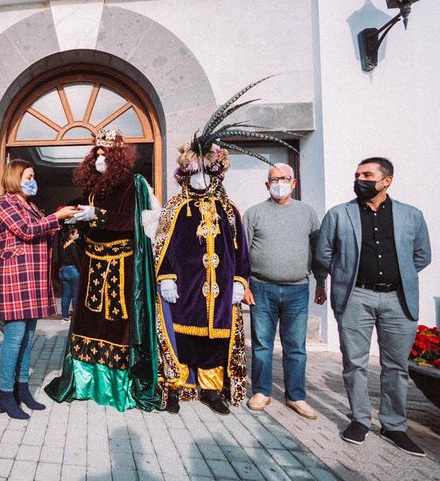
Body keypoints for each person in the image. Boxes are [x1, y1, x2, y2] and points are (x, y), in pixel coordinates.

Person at [155, 78, 295, 415]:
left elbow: (240, 251)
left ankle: (211, 388)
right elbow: (163, 245)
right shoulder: (175, 207)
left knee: (215, 341)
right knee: (181, 337)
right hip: (185, 288)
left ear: (215, 173)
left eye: (206, 172)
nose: (200, 178)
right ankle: (175, 386)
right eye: (195, 173)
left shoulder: (229, 209)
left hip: (219, 292)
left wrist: (239, 281)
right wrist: (166, 276)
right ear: (186, 175)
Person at [315, 157, 431, 456]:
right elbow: (324, 253)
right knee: (355, 363)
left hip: (398, 299)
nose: (360, 179)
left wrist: (397, 276)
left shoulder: (411, 215)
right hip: (356, 297)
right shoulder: (339, 214)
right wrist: (344, 278)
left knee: (396, 367)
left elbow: (422, 255)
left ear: (386, 180)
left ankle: (394, 426)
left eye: (367, 174)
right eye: (357, 174)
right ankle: (360, 420)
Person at [45, 129, 167, 412]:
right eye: (97, 152)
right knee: (88, 321)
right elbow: (92, 225)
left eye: (105, 153)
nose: (100, 157)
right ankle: (86, 381)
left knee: (118, 325)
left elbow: (130, 222)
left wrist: (96, 216)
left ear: (118, 156)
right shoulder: (93, 187)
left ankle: (118, 386)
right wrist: (81, 219)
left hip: (121, 266)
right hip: (91, 264)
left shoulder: (134, 184)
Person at [0, 159, 78, 419]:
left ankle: (21, 389)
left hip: (33, 277)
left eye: (33, 176)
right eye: (28, 176)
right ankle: (5, 394)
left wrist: (66, 218)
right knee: (15, 337)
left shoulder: (31, 206)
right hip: (16, 277)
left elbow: (45, 230)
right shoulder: (4, 203)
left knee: (29, 338)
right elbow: (27, 230)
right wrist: (56, 217)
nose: (32, 180)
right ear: (15, 178)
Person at [242, 163, 324, 419]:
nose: (279, 183)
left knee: (296, 347)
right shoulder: (254, 214)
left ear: (294, 183)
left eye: (284, 178)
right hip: (261, 288)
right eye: (274, 179)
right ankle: (261, 391)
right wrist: (243, 283)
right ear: (267, 185)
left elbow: (318, 250)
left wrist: (321, 281)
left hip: (297, 289)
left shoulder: (308, 213)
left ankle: (296, 396)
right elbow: (242, 252)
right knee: (261, 345)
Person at [54, 224, 81, 321]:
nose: (77, 234)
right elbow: (76, 259)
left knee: (66, 294)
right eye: (76, 233)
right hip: (72, 270)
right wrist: (80, 269)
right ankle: (76, 315)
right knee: (75, 293)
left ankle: (65, 315)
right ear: (71, 235)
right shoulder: (73, 245)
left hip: (63, 270)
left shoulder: (62, 245)